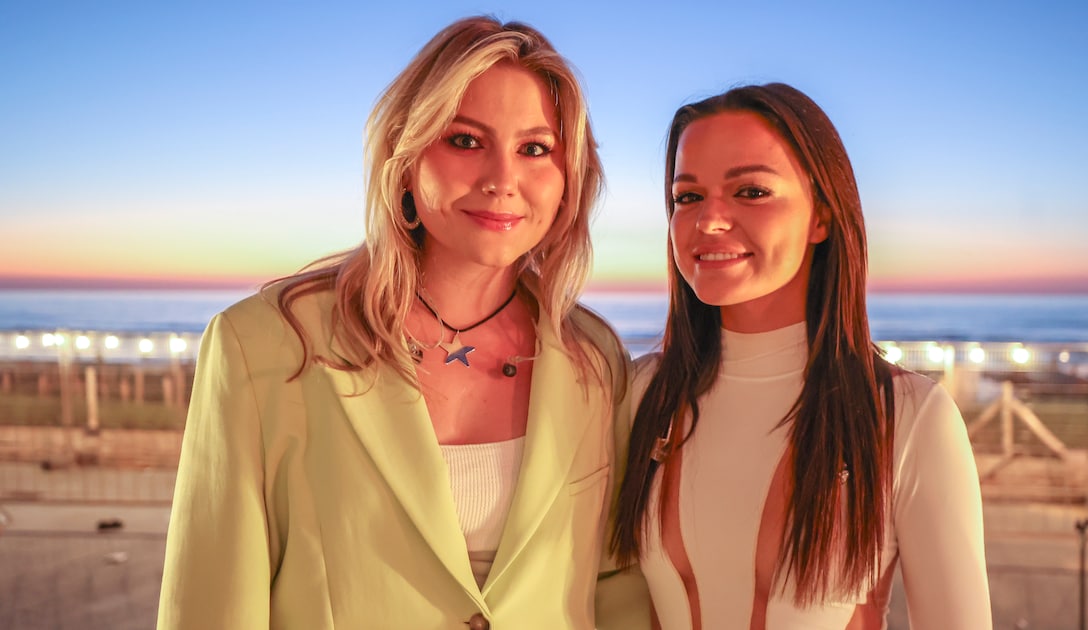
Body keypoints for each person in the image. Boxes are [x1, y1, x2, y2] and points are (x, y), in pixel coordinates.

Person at [158, 16, 647, 629]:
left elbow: (615, 585)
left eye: (534, 149)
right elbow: (211, 604)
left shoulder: (594, 358)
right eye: (465, 140)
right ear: (405, 158)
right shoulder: (264, 345)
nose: (503, 181)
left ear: (568, 178)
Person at [611, 83, 992, 629]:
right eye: (687, 197)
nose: (708, 221)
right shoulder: (643, 395)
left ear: (822, 216)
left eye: (751, 192)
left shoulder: (906, 416)